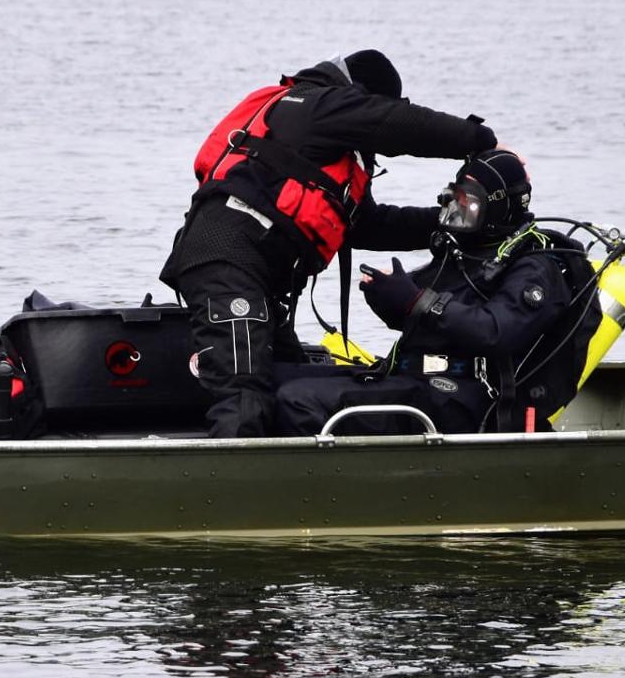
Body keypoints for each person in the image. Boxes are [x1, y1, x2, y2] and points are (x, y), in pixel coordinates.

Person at [161, 49, 514, 437]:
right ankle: (222, 492)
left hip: (249, 269)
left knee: (289, 384)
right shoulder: (319, 104)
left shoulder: (316, 137)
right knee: (244, 393)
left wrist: (450, 222)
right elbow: (399, 125)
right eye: (377, 105)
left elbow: (367, 226)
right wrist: (481, 142)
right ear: (364, 95)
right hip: (227, 260)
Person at [272, 150, 599, 436]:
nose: (459, 211)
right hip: (416, 379)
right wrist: (389, 299)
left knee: (299, 401)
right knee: (270, 377)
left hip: (467, 399)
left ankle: (330, 499)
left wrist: (416, 301)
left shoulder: (537, 268)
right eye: (457, 199)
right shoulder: (464, 252)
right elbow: (429, 319)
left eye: (469, 203)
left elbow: (494, 331)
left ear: (500, 206)